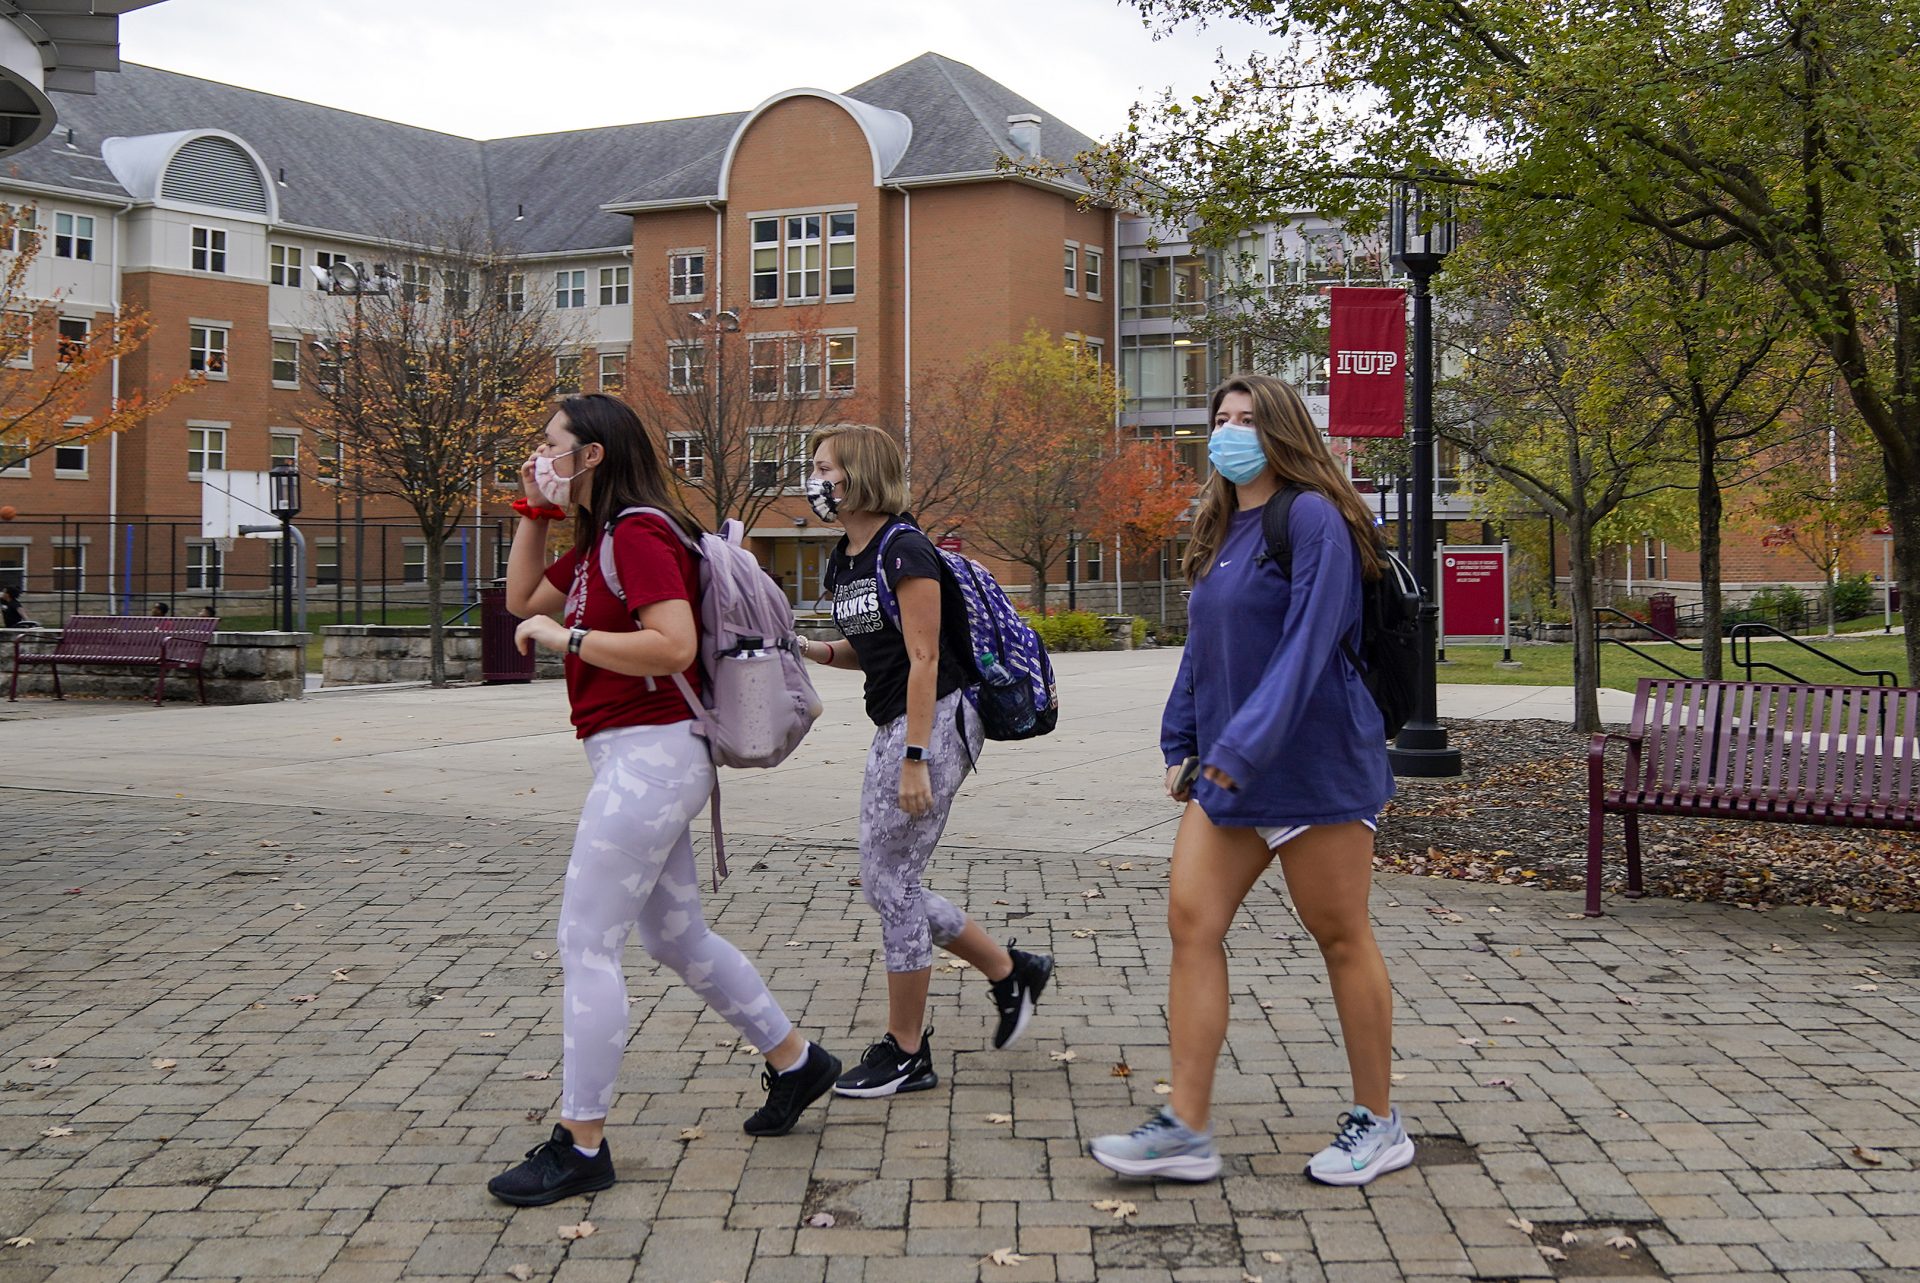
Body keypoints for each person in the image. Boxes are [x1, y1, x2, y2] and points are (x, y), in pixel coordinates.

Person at [487, 393, 841, 1208]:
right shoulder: (602, 540)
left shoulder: (640, 531)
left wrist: (566, 640)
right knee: (676, 935)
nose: (539, 453)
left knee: (586, 941)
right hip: (639, 758)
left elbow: (672, 642)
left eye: (551, 445)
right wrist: (532, 511)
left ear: (593, 454)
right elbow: (521, 600)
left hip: (650, 759)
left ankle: (581, 1142)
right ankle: (797, 1058)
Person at [1088, 373, 1407, 1188]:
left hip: (1315, 767)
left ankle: (1380, 1121)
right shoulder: (1224, 525)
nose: (1230, 432)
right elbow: (1203, 650)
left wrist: (1247, 745)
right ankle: (1185, 1126)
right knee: (1192, 923)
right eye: (1220, 419)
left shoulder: (1313, 517)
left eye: (1247, 419)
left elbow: (1309, 644)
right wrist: (1182, 739)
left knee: (1340, 936)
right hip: (1232, 771)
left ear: (1283, 431)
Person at [796, 424, 1052, 1098]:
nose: (815, 479)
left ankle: (908, 1049)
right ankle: (1010, 970)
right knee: (888, 879)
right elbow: (873, 646)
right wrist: (815, 649)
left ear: (859, 473)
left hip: (935, 720)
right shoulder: (846, 558)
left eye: (825, 467)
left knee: (891, 882)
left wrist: (914, 757)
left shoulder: (904, 548)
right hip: (898, 718)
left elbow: (925, 655)